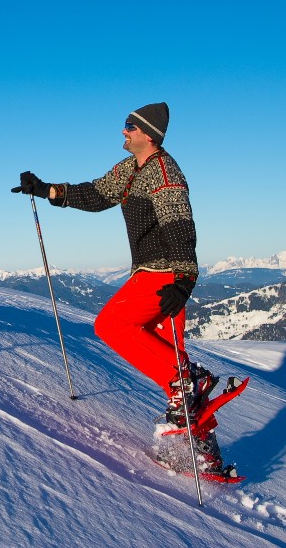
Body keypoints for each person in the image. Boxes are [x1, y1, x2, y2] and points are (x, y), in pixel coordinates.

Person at [12, 102, 227, 470]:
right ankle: (201, 451)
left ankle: (189, 382)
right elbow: (97, 195)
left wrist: (184, 280)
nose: (123, 131)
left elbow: (180, 226)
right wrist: (47, 190)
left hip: (163, 274)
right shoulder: (131, 170)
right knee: (165, 357)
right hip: (150, 271)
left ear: (148, 133)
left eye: (130, 126)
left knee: (112, 325)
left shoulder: (165, 172)